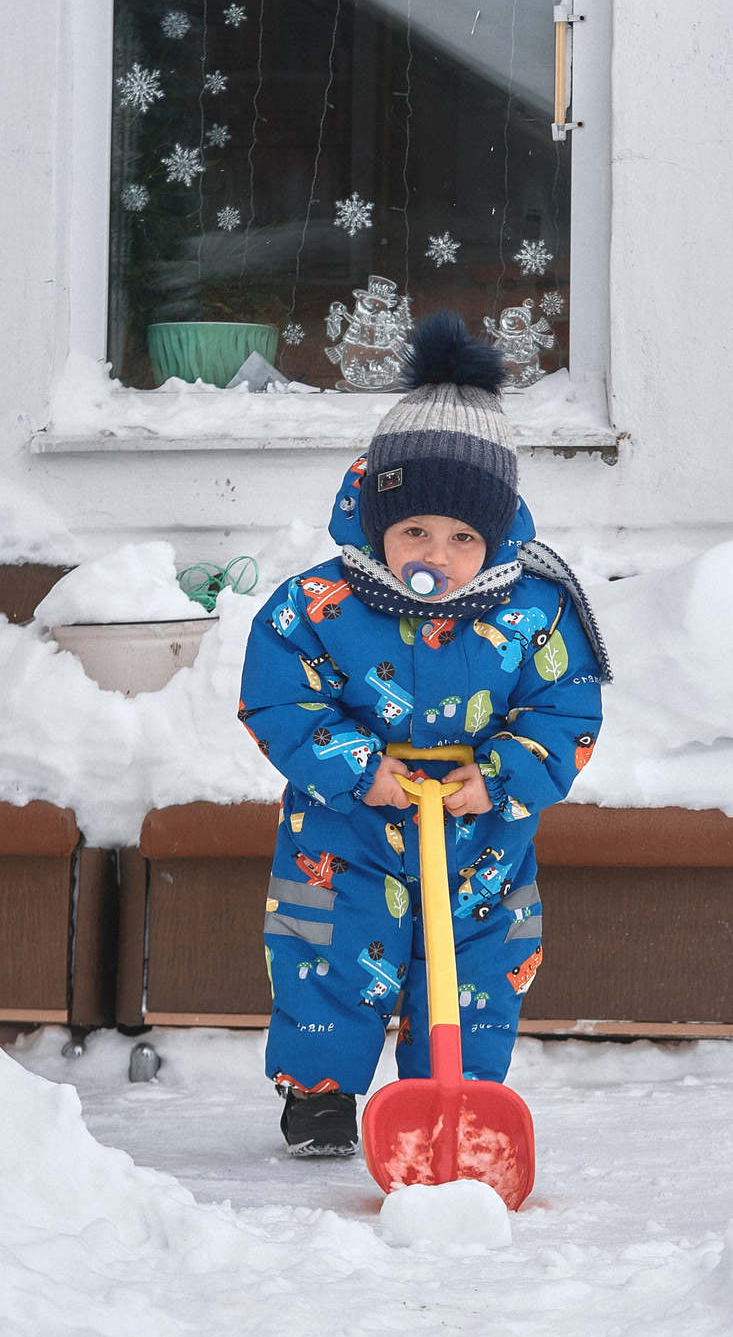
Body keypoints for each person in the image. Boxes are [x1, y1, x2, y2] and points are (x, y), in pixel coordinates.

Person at [238, 311, 609, 1157]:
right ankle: (321, 1096)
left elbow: (565, 707)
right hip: (350, 820)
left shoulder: (535, 610)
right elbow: (280, 696)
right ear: (378, 521)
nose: (434, 555)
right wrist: (356, 766)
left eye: (461, 537)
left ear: (495, 535)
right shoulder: (320, 603)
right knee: (329, 946)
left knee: (476, 960)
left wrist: (503, 776)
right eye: (414, 531)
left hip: (479, 824)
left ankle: (457, 1093)